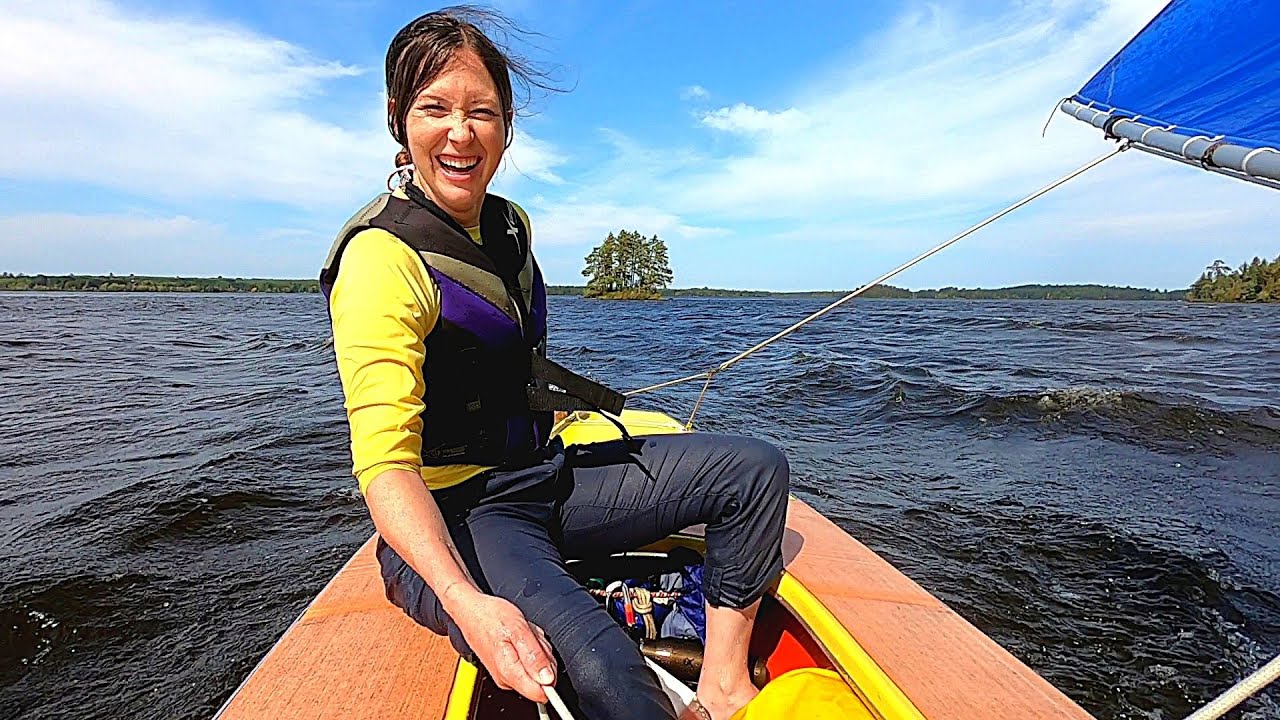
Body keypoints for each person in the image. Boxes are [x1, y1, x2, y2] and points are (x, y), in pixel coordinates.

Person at [320, 8, 789, 720]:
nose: (459, 132)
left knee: (753, 472)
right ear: (397, 119)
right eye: (433, 108)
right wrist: (468, 603)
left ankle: (724, 682)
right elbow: (384, 467)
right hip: (460, 514)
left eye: (481, 111)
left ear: (506, 126)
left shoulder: (511, 225)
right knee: (609, 675)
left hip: (541, 478)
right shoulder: (381, 260)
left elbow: (496, 357)